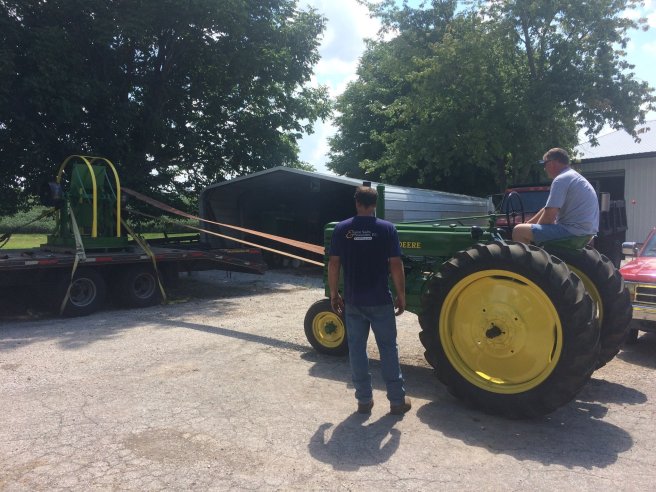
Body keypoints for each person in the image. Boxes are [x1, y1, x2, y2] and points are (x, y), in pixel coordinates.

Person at [328, 186, 411, 416]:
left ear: (357, 202)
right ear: (375, 204)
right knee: (388, 349)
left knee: (357, 350)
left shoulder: (342, 229)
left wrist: (334, 294)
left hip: (354, 301)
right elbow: (396, 264)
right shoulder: (387, 229)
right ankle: (397, 402)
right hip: (380, 300)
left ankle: (364, 401)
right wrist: (401, 294)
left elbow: (334, 263)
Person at [513, 148, 599, 245]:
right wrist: (528, 224)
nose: (544, 169)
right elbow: (547, 209)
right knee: (525, 228)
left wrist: (533, 232)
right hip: (586, 234)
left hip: (571, 232)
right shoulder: (573, 177)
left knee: (518, 231)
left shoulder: (561, 179)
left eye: (544, 164)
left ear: (552, 163)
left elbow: (548, 218)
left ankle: (529, 255)